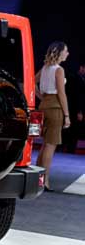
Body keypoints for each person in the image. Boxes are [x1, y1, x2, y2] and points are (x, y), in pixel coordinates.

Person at [35, 41, 71, 191]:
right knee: (50, 145)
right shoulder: (59, 69)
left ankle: (37, 180)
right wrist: (67, 115)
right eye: (66, 51)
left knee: (44, 145)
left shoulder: (45, 68)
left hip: (43, 106)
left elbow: (30, 82)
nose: (67, 54)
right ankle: (45, 181)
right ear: (59, 52)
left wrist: (42, 98)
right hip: (55, 107)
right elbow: (61, 94)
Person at [62, 64, 85, 153]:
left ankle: (68, 148)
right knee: (72, 129)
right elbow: (77, 96)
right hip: (74, 108)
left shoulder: (79, 79)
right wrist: (79, 111)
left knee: (72, 129)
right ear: (81, 68)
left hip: (73, 108)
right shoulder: (75, 78)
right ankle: (69, 148)